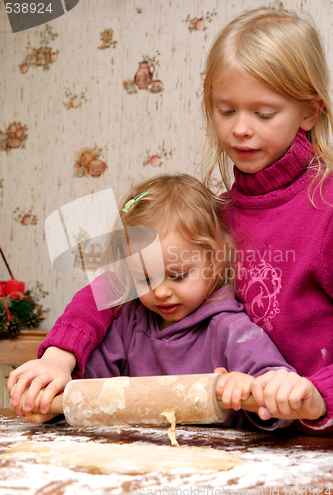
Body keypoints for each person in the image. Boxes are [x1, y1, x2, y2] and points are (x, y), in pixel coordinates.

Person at [8, 3, 332, 433]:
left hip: (315, 444)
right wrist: (59, 355)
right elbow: (114, 285)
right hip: (248, 442)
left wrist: (317, 395)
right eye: (226, 110)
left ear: (310, 111)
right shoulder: (215, 217)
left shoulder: (325, 212)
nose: (240, 129)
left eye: (264, 113)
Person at [9, 173, 320, 430]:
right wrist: (54, 400)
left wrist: (253, 389)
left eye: (178, 275)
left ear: (213, 262)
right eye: (145, 278)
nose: (160, 292)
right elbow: (87, 389)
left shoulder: (230, 329)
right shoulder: (129, 324)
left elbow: (280, 393)